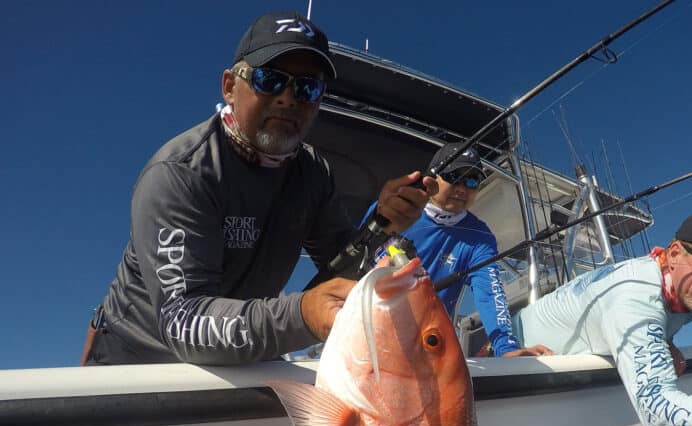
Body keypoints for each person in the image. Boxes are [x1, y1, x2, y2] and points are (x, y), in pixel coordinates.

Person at [82, 12, 435, 365]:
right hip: (136, 365)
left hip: (243, 360)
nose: (288, 98)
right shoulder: (181, 173)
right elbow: (183, 320)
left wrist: (383, 223)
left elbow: (339, 263)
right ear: (229, 87)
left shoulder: (312, 174)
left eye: (307, 87)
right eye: (269, 80)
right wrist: (301, 314)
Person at [514, 212, 692, 426]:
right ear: (675, 252)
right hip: (507, 354)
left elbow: (658, 317)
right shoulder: (634, 296)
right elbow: (656, 408)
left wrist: (666, 341)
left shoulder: (688, 292)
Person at [384, 142, 552, 358]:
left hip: (426, 348)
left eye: (472, 180)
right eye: (454, 176)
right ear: (432, 178)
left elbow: (490, 292)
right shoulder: (396, 209)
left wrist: (507, 349)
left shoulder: (479, 237)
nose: (462, 188)